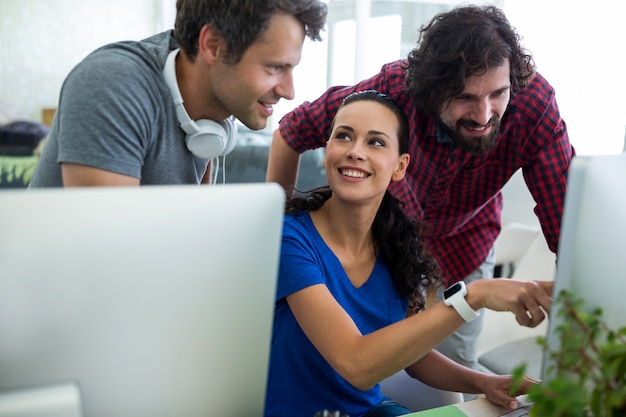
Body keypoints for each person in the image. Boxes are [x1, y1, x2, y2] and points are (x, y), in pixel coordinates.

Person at [266, 4, 574, 375]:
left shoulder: (533, 107)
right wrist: (278, 239)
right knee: (344, 355)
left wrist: (583, 321)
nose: (483, 114)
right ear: (431, 89)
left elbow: (570, 225)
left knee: (452, 365)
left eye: (497, 93)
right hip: (387, 247)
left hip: (465, 246)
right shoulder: (391, 91)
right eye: (464, 98)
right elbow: (292, 131)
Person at [264, 90, 553, 417]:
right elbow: (355, 363)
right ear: (327, 150)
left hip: (372, 411)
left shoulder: (395, 247)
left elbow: (411, 356)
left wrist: (483, 382)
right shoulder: (290, 238)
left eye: (375, 142)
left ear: (400, 167)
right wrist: (472, 297)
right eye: (343, 136)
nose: (356, 151)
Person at [28, 0, 327, 187]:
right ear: (212, 45)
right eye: (275, 68)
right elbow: (108, 256)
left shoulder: (214, 113)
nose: (289, 92)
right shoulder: (112, 84)